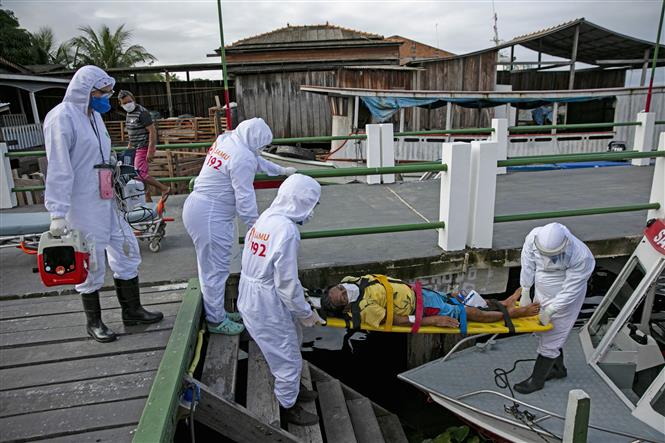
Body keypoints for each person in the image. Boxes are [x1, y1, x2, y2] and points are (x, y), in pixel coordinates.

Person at [44, 66, 163, 343]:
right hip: (82, 202)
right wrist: (57, 212)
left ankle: (132, 311)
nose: (107, 98)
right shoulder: (61, 119)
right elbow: (60, 168)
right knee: (91, 258)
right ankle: (94, 321)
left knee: (125, 247)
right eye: (102, 93)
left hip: (107, 196)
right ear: (85, 92)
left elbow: (102, 153)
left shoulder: (95, 116)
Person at [183, 118, 297, 335]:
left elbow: (256, 160)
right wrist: (255, 227)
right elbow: (245, 196)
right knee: (215, 270)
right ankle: (216, 320)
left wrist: (281, 169)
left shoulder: (229, 139)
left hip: (202, 208)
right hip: (211, 215)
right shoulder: (241, 156)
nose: (261, 150)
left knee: (213, 266)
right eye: (261, 145)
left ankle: (218, 312)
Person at [237, 174, 324, 426]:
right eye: (313, 204)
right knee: (287, 357)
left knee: (291, 342)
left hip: (252, 292)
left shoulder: (267, 217)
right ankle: (288, 406)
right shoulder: (287, 231)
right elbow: (286, 284)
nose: (312, 211)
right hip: (266, 302)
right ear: (302, 202)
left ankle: (294, 390)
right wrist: (305, 312)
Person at [513, 222, 595, 394]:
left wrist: (551, 310)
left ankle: (537, 380)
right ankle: (558, 369)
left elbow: (571, 289)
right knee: (543, 332)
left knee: (554, 333)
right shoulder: (533, 237)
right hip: (542, 288)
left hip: (565, 294)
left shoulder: (582, 256)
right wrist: (526, 290)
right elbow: (527, 263)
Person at [321, 275, 540, 330]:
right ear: (345, 306)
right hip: (423, 309)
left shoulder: (351, 282)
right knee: (468, 313)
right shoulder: (365, 310)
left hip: (420, 293)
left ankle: (504, 301)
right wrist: (433, 320)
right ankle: (515, 314)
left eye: (340, 288)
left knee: (459, 297)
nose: (344, 290)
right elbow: (398, 320)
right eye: (342, 296)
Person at [118, 90, 170, 202]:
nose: (128, 104)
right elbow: (132, 133)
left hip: (143, 147)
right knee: (137, 173)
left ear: (134, 99)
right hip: (134, 148)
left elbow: (152, 131)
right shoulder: (129, 114)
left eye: (129, 101)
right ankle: (148, 199)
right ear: (121, 104)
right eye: (125, 103)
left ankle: (164, 188)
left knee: (139, 172)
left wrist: (151, 149)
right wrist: (129, 148)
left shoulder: (142, 112)